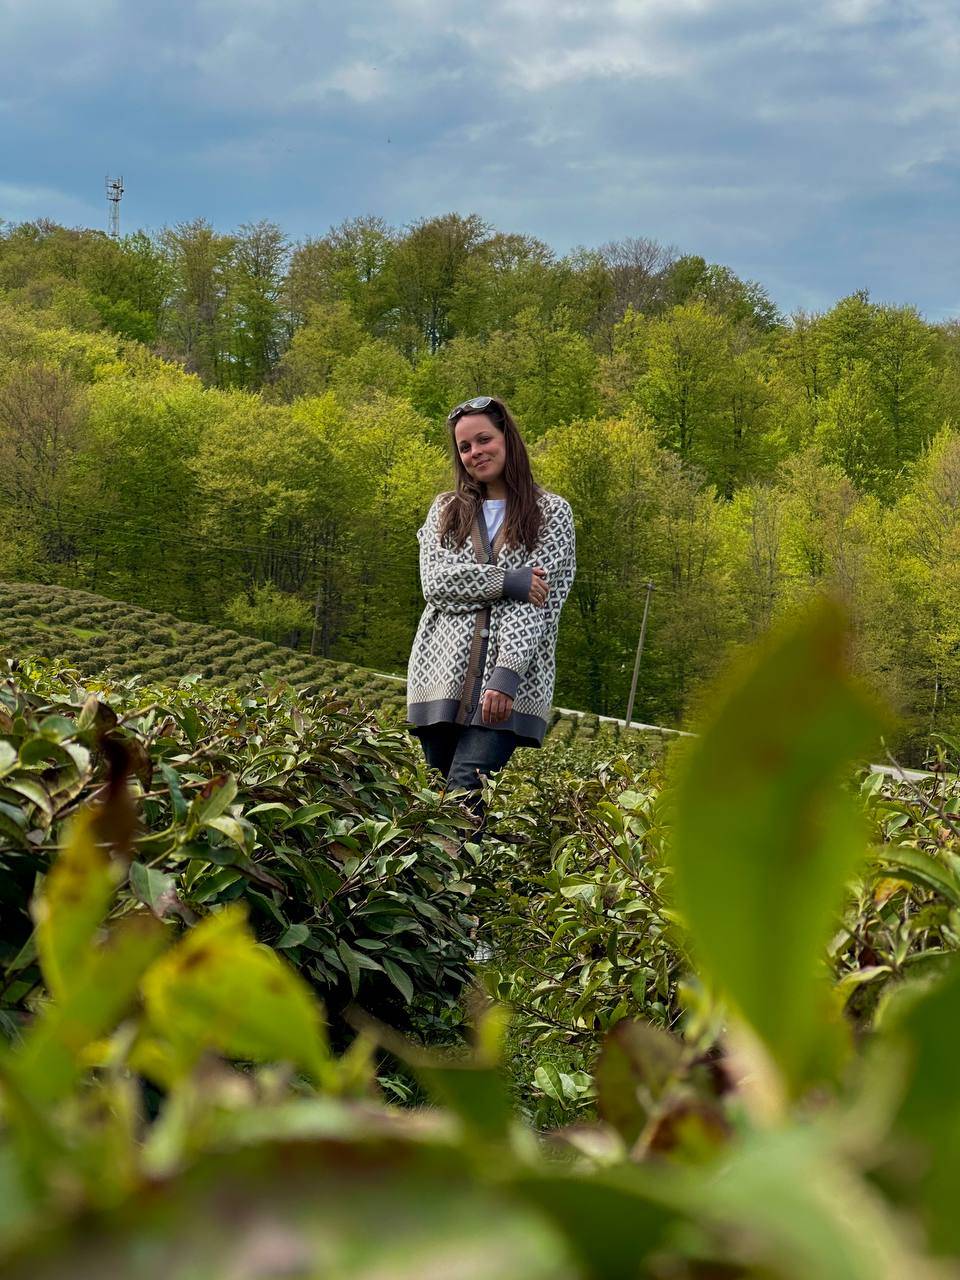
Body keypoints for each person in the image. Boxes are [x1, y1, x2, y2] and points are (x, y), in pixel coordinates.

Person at [406, 394, 576, 830]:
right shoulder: (446, 510)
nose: (475, 452)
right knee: (433, 805)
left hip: (510, 688)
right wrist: (509, 580)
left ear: (507, 439)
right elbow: (435, 583)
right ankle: (444, 895)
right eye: (464, 447)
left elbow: (539, 603)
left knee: (464, 802)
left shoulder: (551, 513)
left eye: (484, 439)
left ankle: (448, 894)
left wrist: (506, 676)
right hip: (439, 678)